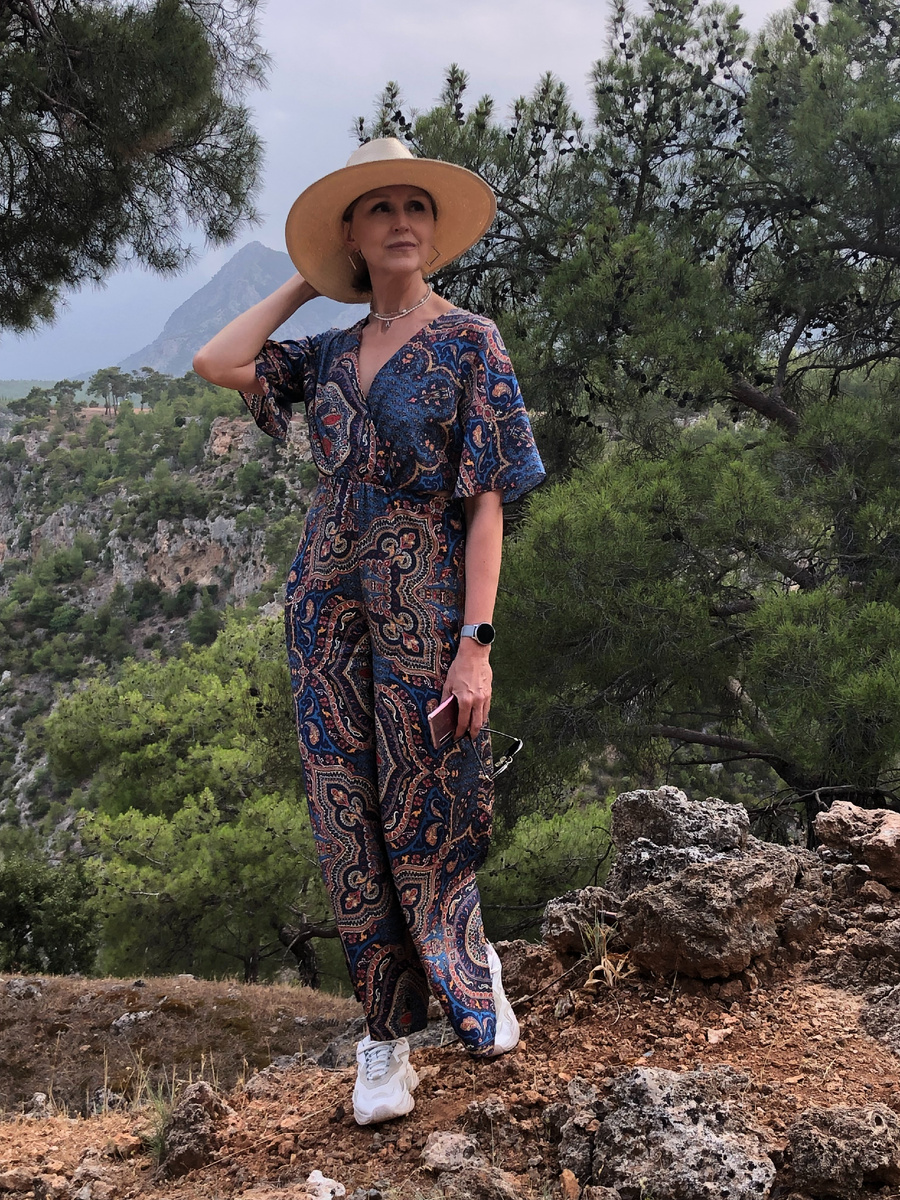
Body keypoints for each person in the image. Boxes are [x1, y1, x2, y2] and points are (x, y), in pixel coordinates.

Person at [193, 137, 545, 1125]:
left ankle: (469, 976)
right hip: (324, 606)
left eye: (415, 206)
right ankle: (383, 1038)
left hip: (426, 602)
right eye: (379, 207)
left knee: (427, 795)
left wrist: (476, 643)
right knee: (345, 814)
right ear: (351, 234)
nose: (400, 221)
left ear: (434, 229)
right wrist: (306, 285)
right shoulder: (328, 353)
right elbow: (217, 362)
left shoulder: (471, 341)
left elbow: (487, 503)